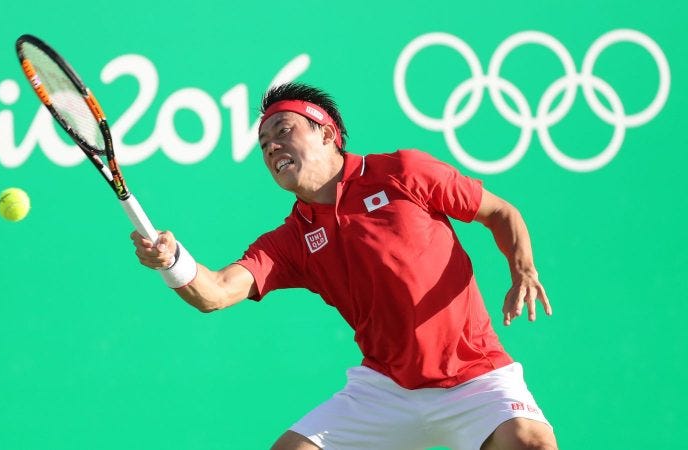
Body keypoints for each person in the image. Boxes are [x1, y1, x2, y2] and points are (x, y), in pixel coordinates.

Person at [131, 82, 558, 450]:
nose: (272, 147)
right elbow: (217, 291)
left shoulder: (402, 172)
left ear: (328, 133)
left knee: (532, 442)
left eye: (283, 131)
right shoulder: (290, 242)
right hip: (386, 389)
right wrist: (172, 261)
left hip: (475, 376)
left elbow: (501, 213)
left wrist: (523, 268)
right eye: (264, 145)